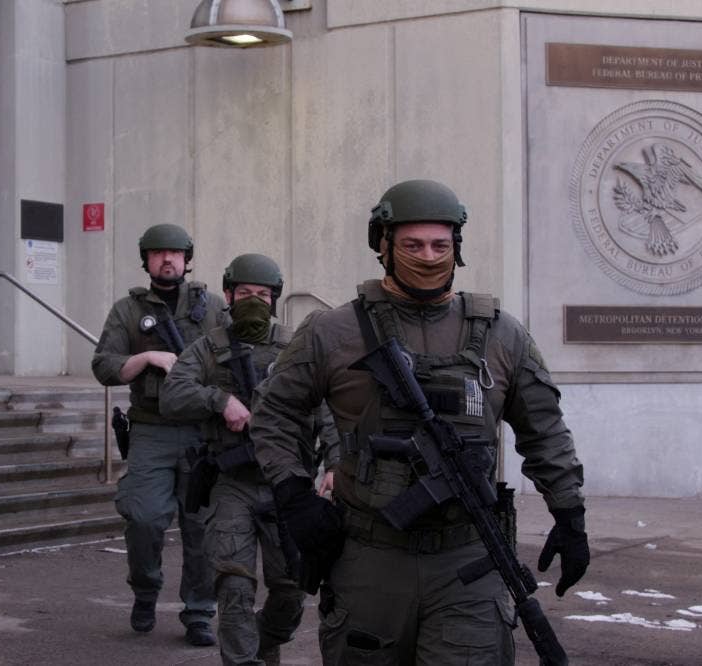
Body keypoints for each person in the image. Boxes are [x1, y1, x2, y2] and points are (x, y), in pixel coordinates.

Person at [250, 179, 589, 664]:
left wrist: (570, 514)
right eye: (412, 245)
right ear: (383, 246)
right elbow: (274, 412)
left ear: (457, 247)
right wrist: (293, 492)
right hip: (369, 559)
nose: (428, 257)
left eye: (440, 245)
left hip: (468, 559)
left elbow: (544, 431)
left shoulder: (501, 334)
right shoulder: (334, 331)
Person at [160, 253, 338, 666]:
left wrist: (336, 462)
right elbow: (172, 395)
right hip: (232, 483)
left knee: (292, 592)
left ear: (275, 298)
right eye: (245, 293)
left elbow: (327, 408)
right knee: (235, 588)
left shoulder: (295, 346)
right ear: (228, 295)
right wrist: (219, 400)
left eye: (262, 294)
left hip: (287, 484)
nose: (254, 300)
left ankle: (261, 643)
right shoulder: (209, 347)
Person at [91, 223, 228, 646]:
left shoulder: (214, 308)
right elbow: (104, 366)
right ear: (146, 260)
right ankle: (145, 589)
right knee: (144, 517)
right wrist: (148, 356)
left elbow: (237, 358)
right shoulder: (128, 311)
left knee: (202, 527)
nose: (167, 260)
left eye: (175, 253)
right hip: (151, 428)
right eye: (157, 253)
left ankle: (200, 612)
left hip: (203, 431)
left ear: (187, 259)